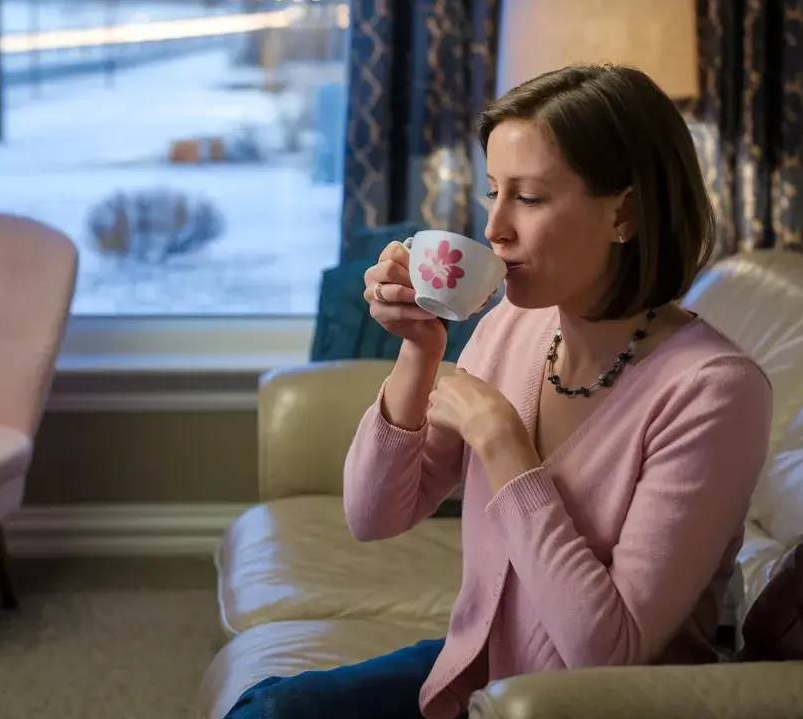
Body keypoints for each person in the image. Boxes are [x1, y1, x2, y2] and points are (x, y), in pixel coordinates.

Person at [222, 64, 772, 719]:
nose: (496, 228)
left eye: (530, 198)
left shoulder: (715, 393)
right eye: (493, 193)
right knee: (270, 709)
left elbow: (609, 654)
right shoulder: (515, 325)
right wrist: (420, 350)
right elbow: (373, 516)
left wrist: (505, 445)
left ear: (623, 213)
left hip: (586, 706)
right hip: (481, 668)